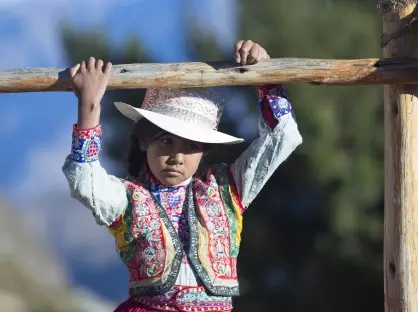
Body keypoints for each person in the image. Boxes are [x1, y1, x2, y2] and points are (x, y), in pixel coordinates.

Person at [62, 40, 303, 312]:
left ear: (204, 151)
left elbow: (283, 136)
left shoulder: (227, 189)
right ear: (144, 142)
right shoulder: (127, 200)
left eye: (191, 146)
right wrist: (90, 105)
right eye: (166, 141)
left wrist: (267, 78)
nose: (177, 157)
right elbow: (84, 179)